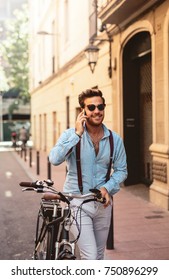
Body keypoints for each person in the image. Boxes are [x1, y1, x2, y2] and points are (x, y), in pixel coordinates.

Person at [49, 88, 127, 260]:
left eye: (100, 106)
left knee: (99, 256)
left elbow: (122, 170)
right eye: (91, 107)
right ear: (82, 111)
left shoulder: (115, 139)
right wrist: (77, 134)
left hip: (102, 204)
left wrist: (108, 187)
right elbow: (54, 159)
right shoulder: (70, 135)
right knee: (90, 257)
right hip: (77, 202)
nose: (97, 111)